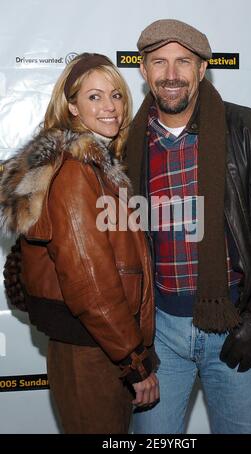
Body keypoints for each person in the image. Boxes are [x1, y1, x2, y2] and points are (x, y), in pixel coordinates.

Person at [124, 19, 251, 434]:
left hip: (235, 320)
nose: (171, 74)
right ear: (144, 70)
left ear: (202, 69)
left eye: (183, 61)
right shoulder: (125, 145)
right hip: (158, 333)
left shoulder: (250, 131)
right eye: (159, 62)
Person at [0, 52, 159, 434]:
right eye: (94, 97)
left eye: (117, 95)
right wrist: (134, 362)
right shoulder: (75, 173)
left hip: (98, 345)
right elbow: (91, 283)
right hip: (96, 349)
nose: (110, 107)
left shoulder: (97, 168)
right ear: (71, 105)